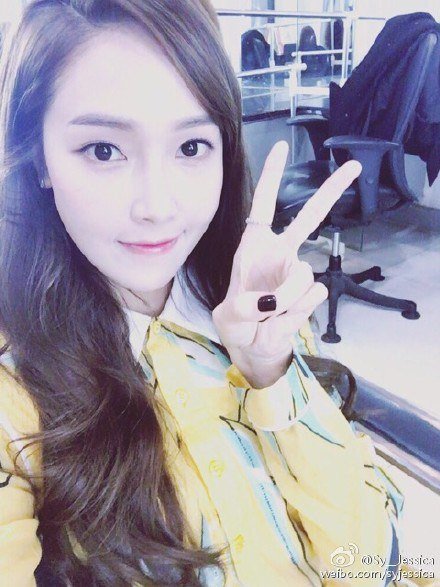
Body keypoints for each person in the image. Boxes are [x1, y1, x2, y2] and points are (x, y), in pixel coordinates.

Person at [0, 1, 409, 586]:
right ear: (39, 158)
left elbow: (370, 563)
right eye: (103, 150)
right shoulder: (14, 393)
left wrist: (273, 375)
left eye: (191, 147)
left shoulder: (258, 304)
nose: (157, 206)